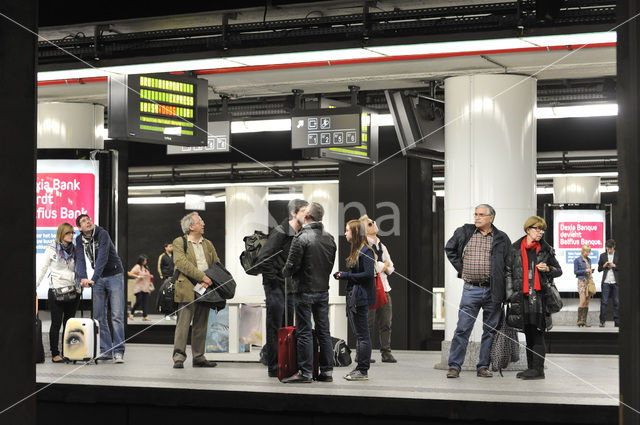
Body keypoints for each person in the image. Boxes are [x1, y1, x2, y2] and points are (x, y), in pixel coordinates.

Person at [444, 204, 511, 378]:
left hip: (493, 291)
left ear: (491, 218)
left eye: (481, 215)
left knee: (489, 331)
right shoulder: (465, 232)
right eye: (475, 214)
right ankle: (454, 366)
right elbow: (449, 249)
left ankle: (483, 366)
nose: (477, 217)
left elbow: (508, 266)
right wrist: (462, 268)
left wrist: (507, 293)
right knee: (462, 329)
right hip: (471, 289)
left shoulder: (502, 238)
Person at [281, 202, 336, 383]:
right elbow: (328, 266)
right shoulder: (330, 239)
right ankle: (327, 372)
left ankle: (305, 372)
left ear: (306, 217)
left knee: (304, 331)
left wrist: (285, 272)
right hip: (323, 291)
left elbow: (291, 266)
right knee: (324, 331)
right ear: (321, 218)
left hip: (303, 290)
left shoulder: (301, 238)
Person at [505, 216, 562, 380]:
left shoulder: (546, 249)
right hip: (521, 298)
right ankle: (531, 368)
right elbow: (508, 272)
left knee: (538, 333)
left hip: (539, 298)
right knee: (528, 333)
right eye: (537, 228)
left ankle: (538, 370)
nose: (540, 232)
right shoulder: (515, 248)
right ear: (528, 229)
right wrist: (509, 296)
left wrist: (548, 268)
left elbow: (559, 271)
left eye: (542, 229)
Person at [257, 199, 308, 378]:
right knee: (275, 326)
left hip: (290, 288)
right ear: (293, 213)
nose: (306, 215)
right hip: (275, 287)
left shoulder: (299, 234)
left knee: (287, 326)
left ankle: (286, 364)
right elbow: (263, 259)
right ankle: (274, 367)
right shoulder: (280, 232)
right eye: (303, 211)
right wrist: (277, 278)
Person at [75, 214, 126, 363]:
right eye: (83, 221)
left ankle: (118, 351)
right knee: (98, 316)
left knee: (116, 316)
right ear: (79, 228)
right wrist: (83, 278)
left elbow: (102, 258)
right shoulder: (79, 240)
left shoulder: (102, 234)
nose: (88, 222)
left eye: (88, 219)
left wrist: (93, 278)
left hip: (114, 275)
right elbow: (80, 261)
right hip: (97, 278)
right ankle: (106, 350)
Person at [172, 212, 220, 369]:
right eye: (200, 222)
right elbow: (181, 263)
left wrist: (210, 278)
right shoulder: (179, 242)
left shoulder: (208, 244)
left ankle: (198, 357)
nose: (204, 224)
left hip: (205, 288)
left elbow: (216, 263)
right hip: (186, 287)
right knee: (183, 324)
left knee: (201, 323)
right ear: (191, 226)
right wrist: (202, 277)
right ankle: (179, 357)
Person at [334, 219, 376, 381]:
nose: (345, 233)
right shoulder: (358, 250)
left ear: (355, 233)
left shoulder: (366, 251)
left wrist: (346, 275)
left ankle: (363, 370)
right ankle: (359, 369)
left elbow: (367, 275)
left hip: (360, 299)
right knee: (360, 335)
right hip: (355, 297)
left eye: (347, 230)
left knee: (363, 336)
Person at [36, 222, 80, 363]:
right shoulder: (51, 249)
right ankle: (55, 354)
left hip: (73, 291)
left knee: (69, 324)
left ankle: (68, 352)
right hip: (56, 291)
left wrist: (79, 286)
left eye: (72, 233)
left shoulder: (75, 249)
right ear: (61, 234)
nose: (71, 235)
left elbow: (79, 270)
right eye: (68, 233)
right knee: (56, 324)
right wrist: (34, 286)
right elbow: (42, 269)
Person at [359, 214, 396, 364]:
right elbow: (375, 266)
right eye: (369, 224)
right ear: (364, 231)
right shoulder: (364, 246)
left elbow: (391, 267)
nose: (374, 224)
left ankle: (386, 352)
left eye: (373, 222)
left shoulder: (382, 245)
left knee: (386, 322)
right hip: (370, 288)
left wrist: (385, 266)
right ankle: (362, 353)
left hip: (385, 288)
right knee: (368, 323)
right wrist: (384, 265)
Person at [597, 239, 619, 327]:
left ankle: (617, 321)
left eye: (611, 248)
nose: (609, 250)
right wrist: (604, 266)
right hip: (606, 282)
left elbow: (624, 267)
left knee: (616, 302)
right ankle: (602, 321)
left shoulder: (618, 255)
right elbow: (599, 269)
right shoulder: (602, 256)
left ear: (614, 247)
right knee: (604, 302)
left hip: (615, 282)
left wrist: (615, 266)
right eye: (607, 248)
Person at [573, 244, 595, 327]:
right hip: (582, 281)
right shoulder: (577, 260)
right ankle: (579, 320)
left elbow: (588, 270)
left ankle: (584, 321)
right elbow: (575, 272)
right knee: (582, 301)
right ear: (583, 251)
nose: (588, 253)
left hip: (589, 281)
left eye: (589, 251)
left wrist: (590, 271)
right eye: (586, 251)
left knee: (587, 302)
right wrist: (585, 270)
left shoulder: (589, 260)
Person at [128, 254, 153, 321]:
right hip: (139, 287)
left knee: (145, 302)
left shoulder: (146, 267)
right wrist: (138, 276)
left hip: (146, 287)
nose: (145, 261)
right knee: (138, 301)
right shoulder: (137, 266)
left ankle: (145, 316)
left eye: (146, 260)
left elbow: (147, 275)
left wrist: (150, 276)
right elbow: (130, 273)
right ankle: (132, 313)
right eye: (144, 260)